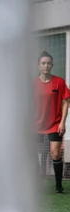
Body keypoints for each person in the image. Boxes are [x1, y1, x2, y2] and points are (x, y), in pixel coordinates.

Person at [34, 51, 70, 194]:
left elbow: (66, 102)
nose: (46, 66)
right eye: (43, 63)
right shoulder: (33, 84)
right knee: (31, 154)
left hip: (55, 123)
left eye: (48, 63)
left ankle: (58, 185)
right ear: (38, 65)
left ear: (52, 65)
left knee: (55, 153)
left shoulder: (59, 82)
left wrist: (63, 123)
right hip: (35, 124)